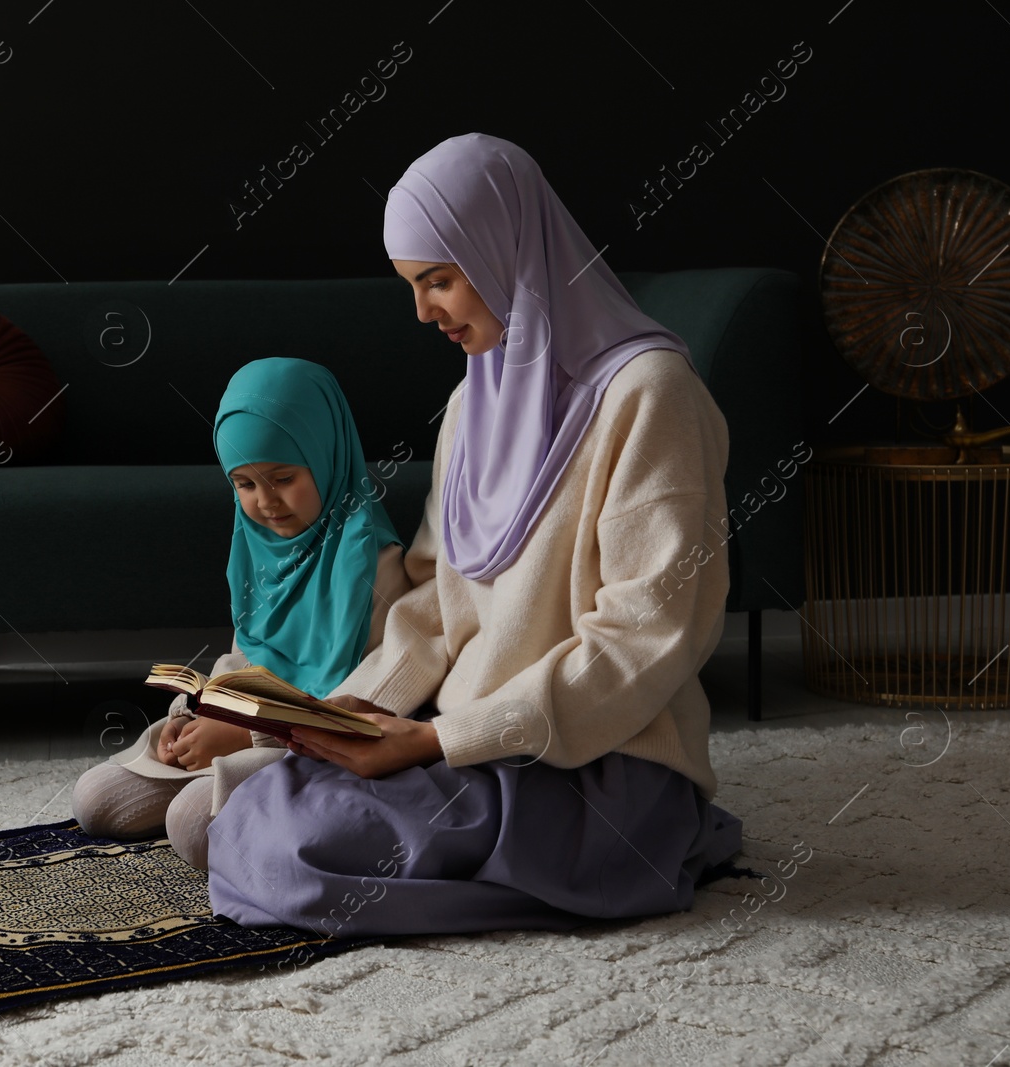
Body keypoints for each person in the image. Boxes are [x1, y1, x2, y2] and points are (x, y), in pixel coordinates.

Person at [207, 134, 744, 936]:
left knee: (292, 844)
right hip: (465, 741)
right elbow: (434, 597)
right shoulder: (473, 403)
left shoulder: (650, 395)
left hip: (597, 764)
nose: (424, 312)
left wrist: (437, 739)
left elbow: (645, 637)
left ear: (509, 252)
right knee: (257, 810)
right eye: (413, 286)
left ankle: (630, 856)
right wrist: (363, 704)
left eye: (439, 280)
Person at [71, 357, 409, 868]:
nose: (265, 502)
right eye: (244, 484)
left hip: (313, 747)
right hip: (242, 728)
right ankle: (215, 773)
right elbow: (245, 665)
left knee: (191, 825)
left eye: (283, 478)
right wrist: (192, 718)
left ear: (327, 455)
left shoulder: (373, 564)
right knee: (95, 799)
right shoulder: (258, 550)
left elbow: (368, 707)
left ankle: (249, 801)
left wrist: (243, 734)